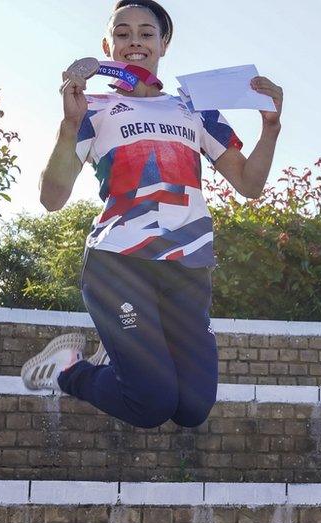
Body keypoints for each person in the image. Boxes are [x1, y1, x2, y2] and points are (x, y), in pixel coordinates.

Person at [21, 0, 283, 430]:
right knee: (151, 404)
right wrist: (69, 126)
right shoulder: (92, 109)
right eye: (122, 33)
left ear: (164, 43)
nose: (134, 42)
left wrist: (270, 128)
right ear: (107, 45)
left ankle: (118, 355)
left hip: (187, 268)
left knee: (192, 409)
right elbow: (53, 198)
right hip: (119, 262)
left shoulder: (195, 108)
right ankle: (68, 368)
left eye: (146, 33)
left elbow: (250, 184)